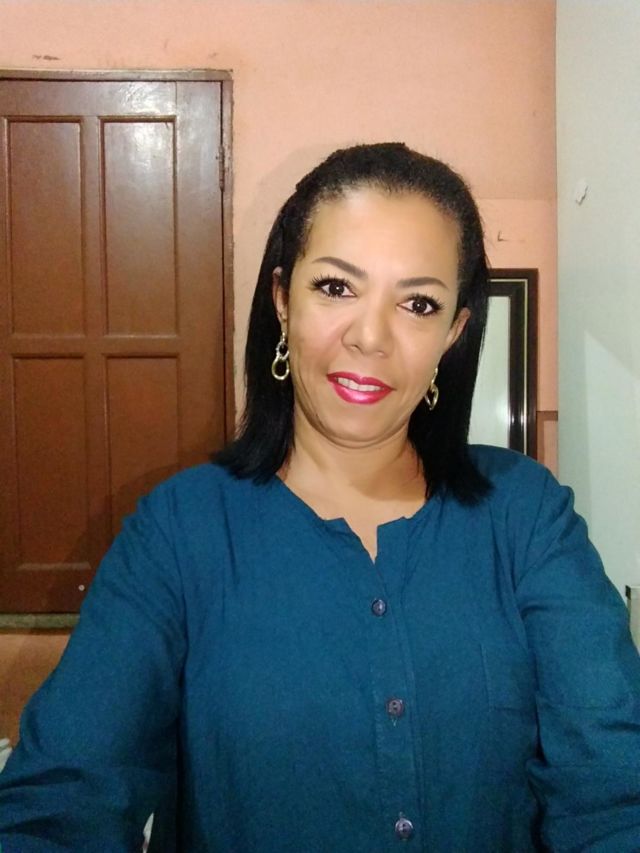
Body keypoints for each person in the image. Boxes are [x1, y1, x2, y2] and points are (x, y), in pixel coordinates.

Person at [1, 142, 639, 852]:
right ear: (282, 299)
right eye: (336, 287)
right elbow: (60, 805)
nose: (370, 337)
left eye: (418, 304)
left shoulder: (526, 514)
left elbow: (613, 792)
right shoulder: (179, 531)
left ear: (454, 333)